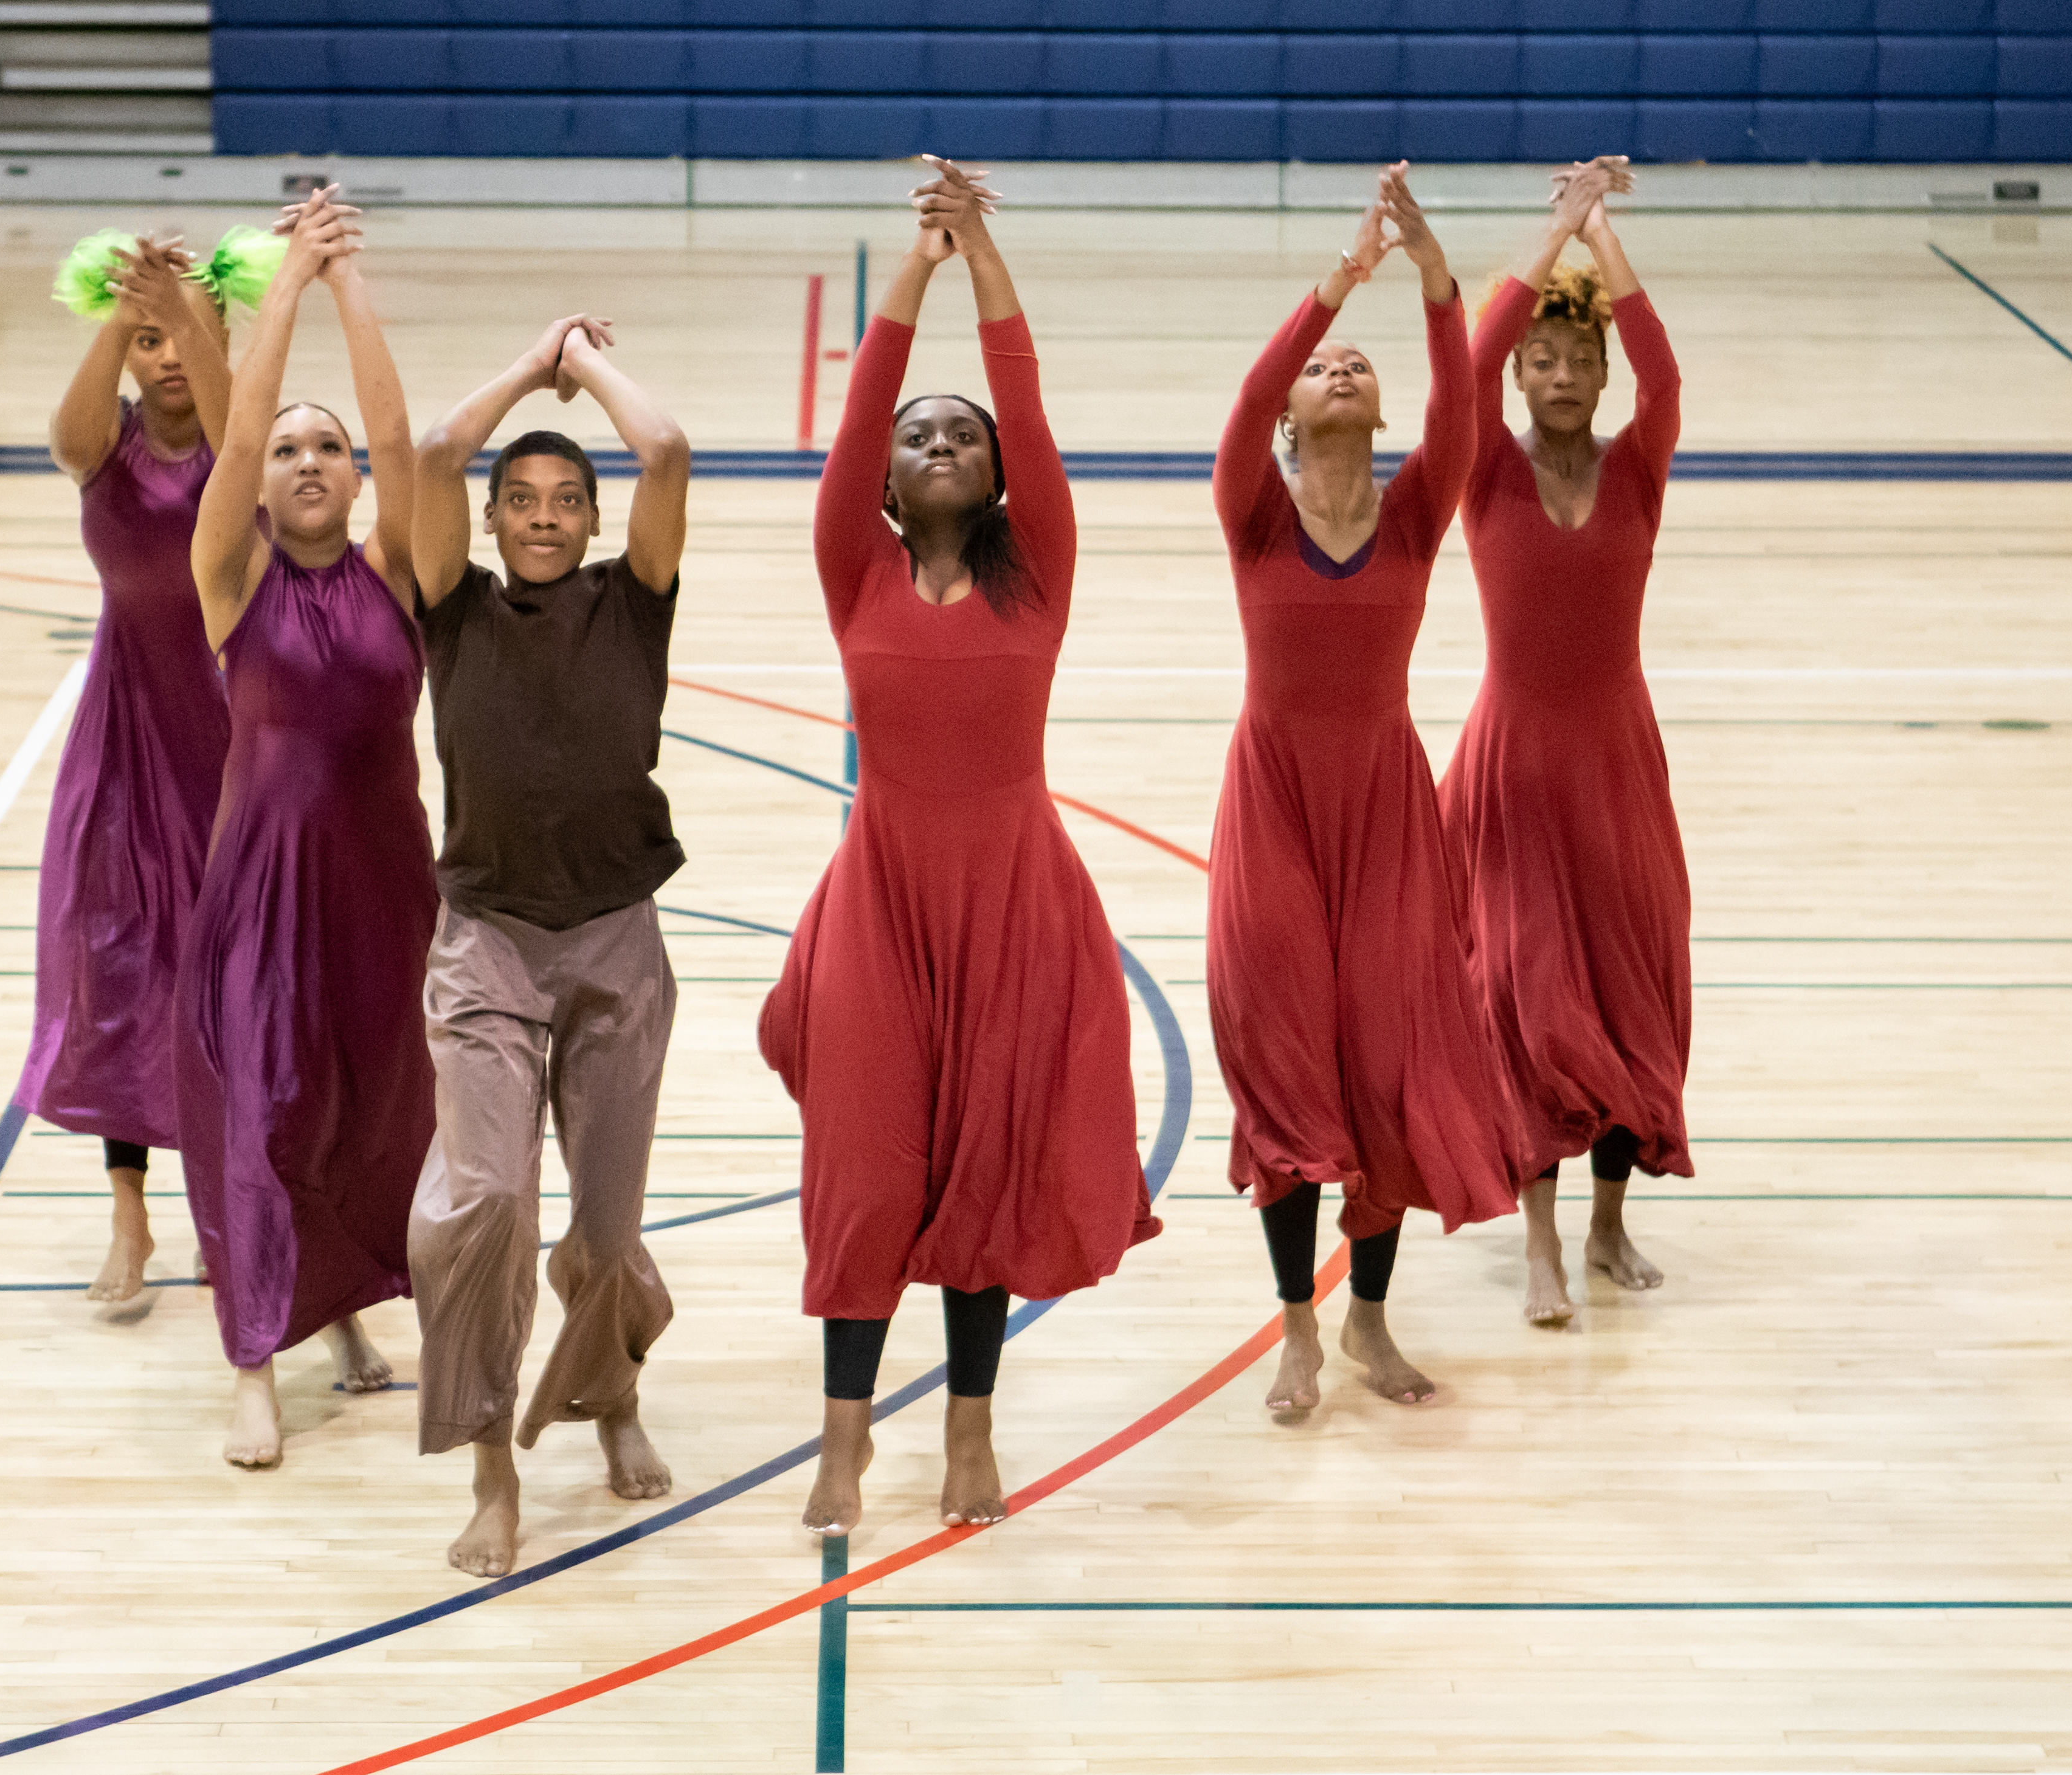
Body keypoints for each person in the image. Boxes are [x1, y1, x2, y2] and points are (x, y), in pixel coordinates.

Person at [761, 158, 1162, 1540]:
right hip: (879, 903)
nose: (936, 440)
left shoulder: (1034, 562)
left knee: (982, 1169)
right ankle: (843, 1439)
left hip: (1013, 900)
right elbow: (863, 406)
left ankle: (973, 1429)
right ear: (880, 477)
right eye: (916, 435)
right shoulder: (851, 564)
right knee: (867, 1168)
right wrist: (911, 269)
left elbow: (1028, 401)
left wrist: (980, 251)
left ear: (994, 479)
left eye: (961, 434)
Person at [1206, 162, 1522, 1415]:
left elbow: (1464, 394)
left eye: (1361, 366)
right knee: (1286, 1068)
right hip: (1275, 808)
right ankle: (1296, 1326)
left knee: (1389, 1067)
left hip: (1392, 810)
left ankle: (1369, 1323)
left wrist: (1436, 275)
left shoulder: (1414, 517)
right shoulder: (1252, 513)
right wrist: (1338, 282)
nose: (1345, 370)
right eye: (1325, 365)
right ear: (1292, 413)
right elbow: (1239, 400)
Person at [404, 306, 693, 1578]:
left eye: (563, 497)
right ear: (490, 519)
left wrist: (588, 369)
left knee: (608, 1220)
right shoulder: (449, 608)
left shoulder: (635, 609)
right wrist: (528, 360)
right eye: (516, 496)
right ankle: (492, 1468)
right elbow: (424, 452)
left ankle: (614, 1390)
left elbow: (668, 445)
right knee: (486, 1208)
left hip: (617, 947)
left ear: (589, 518)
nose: (536, 514)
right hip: (486, 950)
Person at [172, 193, 440, 1468]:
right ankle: (251, 1357)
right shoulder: (230, 577)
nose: (310, 461)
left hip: (386, 890)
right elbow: (227, 446)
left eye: (324, 448)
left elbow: (400, 432)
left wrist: (348, 283)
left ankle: (338, 1312)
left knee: (370, 1106)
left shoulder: (397, 575)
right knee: (269, 1105)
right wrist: (282, 284)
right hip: (266, 888)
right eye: (288, 451)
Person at [1440, 159, 1691, 1326]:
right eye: (1541, 361)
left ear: (1599, 373)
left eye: (1576, 360)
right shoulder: (1483, 469)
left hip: (1618, 766)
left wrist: (1605, 242)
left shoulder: (1637, 467)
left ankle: (1605, 1222)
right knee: (1528, 997)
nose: (1557, 375)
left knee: (1627, 990)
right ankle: (1538, 1237)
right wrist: (1554, 236)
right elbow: (1470, 356)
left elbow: (1666, 369)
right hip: (1513, 770)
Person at [22, 229, 233, 1306]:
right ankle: (129, 1218)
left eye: (179, 337)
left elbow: (238, 420)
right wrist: (120, 311)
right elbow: (63, 438)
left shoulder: (246, 450)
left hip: (233, 727)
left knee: (222, 971)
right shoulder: (103, 445)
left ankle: (221, 1202)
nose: (162, 357)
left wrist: (189, 308)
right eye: (144, 340)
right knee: (114, 965)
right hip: (122, 727)